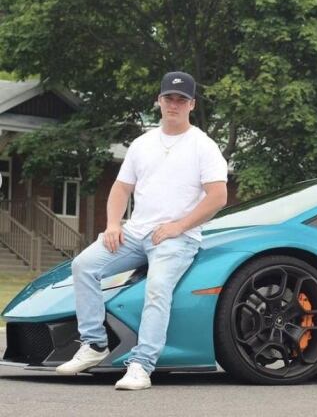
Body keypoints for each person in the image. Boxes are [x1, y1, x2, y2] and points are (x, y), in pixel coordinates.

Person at [55, 71, 228, 390]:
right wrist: (112, 224)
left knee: (157, 287)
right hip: (134, 233)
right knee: (83, 266)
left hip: (177, 238)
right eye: (168, 98)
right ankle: (94, 344)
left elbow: (218, 195)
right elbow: (121, 189)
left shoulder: (203, 146)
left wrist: (179, 226)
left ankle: (141, 365)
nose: (173, 104)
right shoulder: (142, 144)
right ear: (158, 102)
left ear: (191, 104)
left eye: (181, 99)